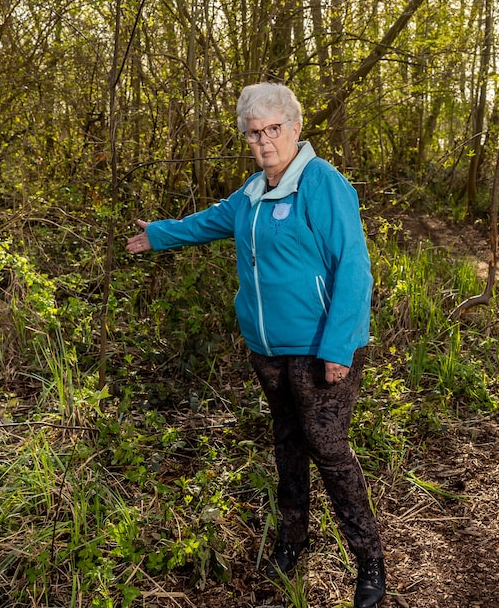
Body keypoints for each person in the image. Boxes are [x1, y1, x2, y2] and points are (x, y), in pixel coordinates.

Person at [125, 82, 385, 608]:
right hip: (267, 349)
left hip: (320, 349)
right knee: (287, 442)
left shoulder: (322, 183)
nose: (264, 140)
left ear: (295, 128)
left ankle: (369, 560)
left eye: (273, 129)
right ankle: (294, 541)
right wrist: (159, 233)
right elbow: (212, 222)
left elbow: (354, 268)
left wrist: (338, 347)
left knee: (328, 449)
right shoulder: (252, 192)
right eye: (254, 132)